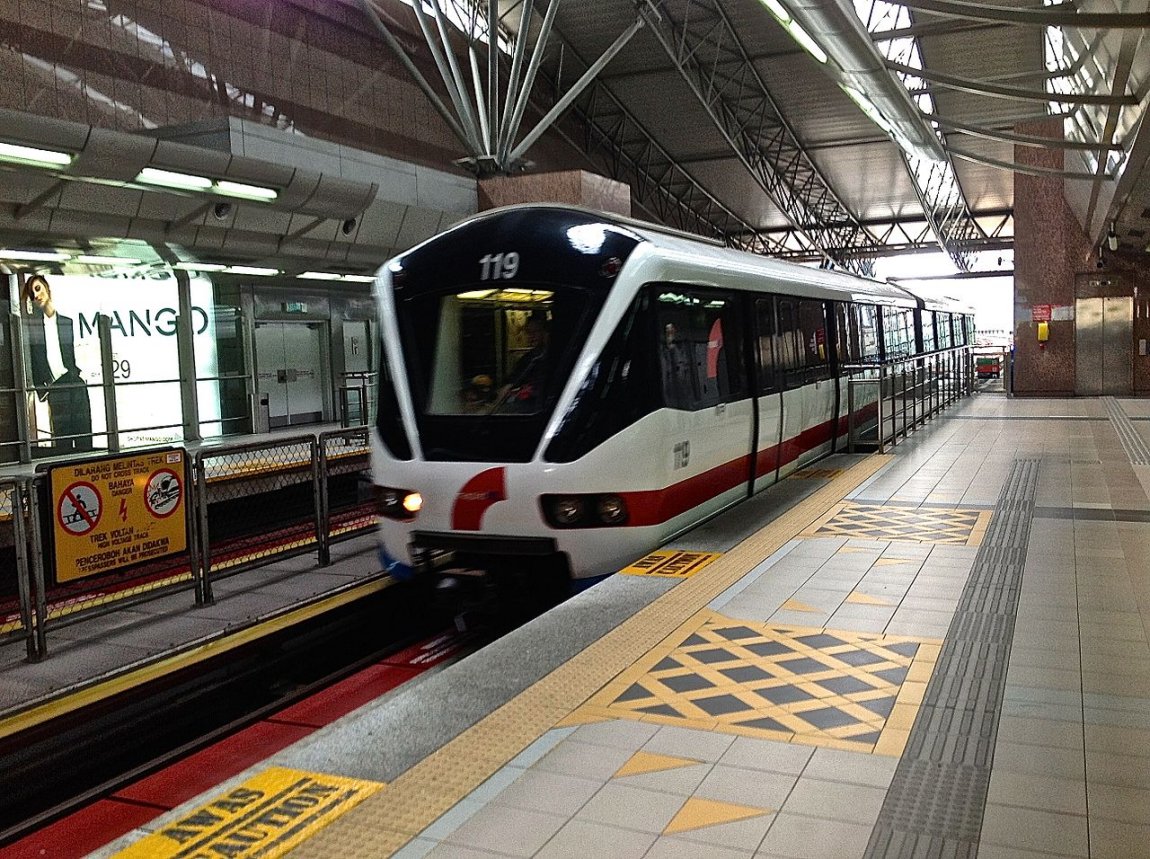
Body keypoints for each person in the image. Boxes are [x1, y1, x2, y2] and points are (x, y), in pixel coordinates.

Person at [23, 274, 93, 452]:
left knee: (84, 433)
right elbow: (32, 361)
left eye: (38, 289)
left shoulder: (66, 322)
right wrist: (43, 390)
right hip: (55, 387)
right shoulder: (33, 328)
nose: (36, 295)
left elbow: (71, 356)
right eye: (32, 293)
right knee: (62, 439)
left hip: (74, 382)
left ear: (47, 289)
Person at [498, 312, 550, 412]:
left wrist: (530, 390)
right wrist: (507, 386)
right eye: (528, 332)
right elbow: (514, 377)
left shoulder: (551, 356)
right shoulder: (529, 357)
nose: (531, 336)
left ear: (544, 332)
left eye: (535, 332)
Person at [660, 322, 694, 408]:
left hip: (682, 384)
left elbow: (684, 365)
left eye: (671, 330)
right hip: (669, 387)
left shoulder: (681, 347)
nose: (669, 332)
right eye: (667, 330)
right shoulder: (662, 350)